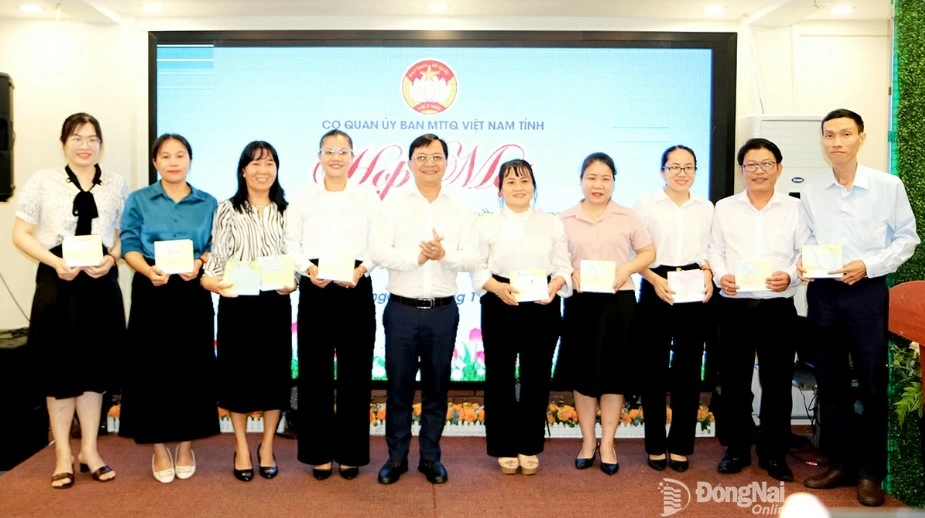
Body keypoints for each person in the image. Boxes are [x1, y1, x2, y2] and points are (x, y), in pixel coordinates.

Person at [800, 109, 919, 507]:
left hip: (867, 293)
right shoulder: (814, 190)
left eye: (845, 134)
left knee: (870, 384)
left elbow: (907, 239)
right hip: (824, 294)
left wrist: (868, 265)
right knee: (831, 384)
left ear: (861, 138)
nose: (836, 142)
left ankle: (870, 473)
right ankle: (840, 463)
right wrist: (804, 260)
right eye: (829, 135)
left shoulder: (888, 186)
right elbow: (807, 237)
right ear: (823, 142)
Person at [12, 112, 127, 488]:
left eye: (92, 138)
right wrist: (55, 261)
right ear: (63, 142)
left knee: (94, 372)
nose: (85, 145)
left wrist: (111, 258)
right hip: (57, 281)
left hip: (98, 282)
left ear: (101, 144)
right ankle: (62, 452)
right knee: (60, 371)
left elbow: (122, 233)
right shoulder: (43, 181)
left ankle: (90, 451)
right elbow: (21, 234)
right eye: (77, 138)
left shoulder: (116, 184)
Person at [369, 133, 478, 485]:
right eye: (422, 156)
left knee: (437, 388)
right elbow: (378, 253)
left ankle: (430, 458)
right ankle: (396, 458)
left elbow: (473, 258)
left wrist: (444, 256)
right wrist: (414, 258)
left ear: (447, 162)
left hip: (442, 312)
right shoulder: (392, 205)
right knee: (398, 388)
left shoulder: (461, 209)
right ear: (410, 162)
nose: (429, 163)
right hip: (400, 310)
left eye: (436, 157)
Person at [706, 137, 809, 483]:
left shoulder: (795, 208)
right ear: (741, 170)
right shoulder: (725, 207)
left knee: (777, 383)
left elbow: (804, 252)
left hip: (777, 309)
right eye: (752, 165)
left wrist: (792, 274)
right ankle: (736, 449)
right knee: (734, 384)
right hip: (735, 307)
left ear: (779, 168)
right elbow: (714, 250)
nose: (759, 171)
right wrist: (722, 276)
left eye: (767, 164)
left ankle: (774, 453)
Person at [118, 134, 219, 484]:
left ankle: (187, 445)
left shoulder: (208, 202)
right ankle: (159, 447)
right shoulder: (139, 199)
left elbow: (213, 245)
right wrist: (146, 270)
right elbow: (128, 241)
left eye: (180, 155)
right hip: (152, 287)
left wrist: (201, 261)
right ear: (155, 162)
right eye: (166, 156)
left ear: (190, 160)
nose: (174, 161)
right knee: (151, 370)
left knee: (193, 367)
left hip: (191, 290)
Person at [284, 130, 379, 481]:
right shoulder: (304, 198)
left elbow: (379, 242)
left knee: (355, 374)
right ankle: (318, 454)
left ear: (352, 156)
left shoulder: (368, 197)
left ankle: (351, 453)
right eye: (329, 151)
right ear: (319, 156)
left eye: (342, 151)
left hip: (355, 287)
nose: (335, 157)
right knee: (314, 374)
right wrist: (307, 269)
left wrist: (362, 268)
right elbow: (290, 241)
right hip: (317, 289)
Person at [471, 159, 572, 476]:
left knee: (536, 375)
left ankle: (529, 445)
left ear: (534, 186)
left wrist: (554, 286)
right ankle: (502, 447)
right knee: (499, 376)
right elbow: (477, 268)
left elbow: (563, 266)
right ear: (499, 188)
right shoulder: (486, 224)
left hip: (541, 305)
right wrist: (497, 288)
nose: (518, 187)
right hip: (500, 301)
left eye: (524, 180)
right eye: (511, 182)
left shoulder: (551, 223)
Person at [201, 141, 294, 482]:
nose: (262, 170)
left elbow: (293, 258)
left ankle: (266, 445)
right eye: (254, 164)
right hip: (237, 303)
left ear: (276, 169)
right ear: (243, 170)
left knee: (273, 376)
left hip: (273, 303)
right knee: (237, 376)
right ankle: (241, 445)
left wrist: (292, 282)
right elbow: (219, 256)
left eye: (269, 163)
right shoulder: (227, 208)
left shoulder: (287, 210)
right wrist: (210, 283)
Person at [557, 152, 655, 476]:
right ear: (581, 180)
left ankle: (609, 443)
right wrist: (571, 272)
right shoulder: (565, 218)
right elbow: (555, 257)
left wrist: (625, 268)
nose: (598, 185)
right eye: (591, 178)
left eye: (605, 178)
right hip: (581, 303)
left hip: (619, 302)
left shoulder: (627, 216)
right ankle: (587, 442)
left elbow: (648, 251)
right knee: (583, 377)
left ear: (614, 181)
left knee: (615, 376)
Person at [633, 145, 714, 473]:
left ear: (695, 171)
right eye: (674, 167)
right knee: (652, 371)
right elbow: (635, 251)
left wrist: (709, 274)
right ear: (662, 170)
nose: (682, 173)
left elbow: (712, 248)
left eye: (688, 167)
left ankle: (680, 445)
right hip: (657, 284)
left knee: (688, 370)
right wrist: (652, 279)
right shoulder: (646, 205)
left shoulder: (706, 207)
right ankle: (654, 444)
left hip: (694, 285)